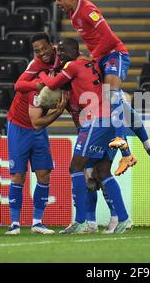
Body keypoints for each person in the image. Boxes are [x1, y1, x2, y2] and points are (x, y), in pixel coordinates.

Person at [53, 0, 150, 176]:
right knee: (119, 105)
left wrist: (92, 57)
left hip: (114, 54)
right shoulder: (72, 12)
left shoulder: (87, 10)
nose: (57, 3)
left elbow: (110, 38)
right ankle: (147, 147)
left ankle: (123, 141)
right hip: (101, 59)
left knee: (111, 95)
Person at [39, 38, 133, 234]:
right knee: (101, 171)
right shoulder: (90, 65)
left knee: (76, 167)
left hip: (95, 120)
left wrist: (42, 74)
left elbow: (52, 82)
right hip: (107, 121)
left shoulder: (73, 66)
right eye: (60, 52)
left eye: (63, 51)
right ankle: (121, 219)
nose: (61, 55)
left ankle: (81, 221)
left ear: (74, 50)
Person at [5, 33, 70, 235]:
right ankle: (15, 224)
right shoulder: (35, 82)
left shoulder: (61, 59)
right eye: (37, 50)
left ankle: (37, 223)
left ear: (52, 46)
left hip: (38, 131)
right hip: (20, 127)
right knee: (18, 176)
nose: (42, 53)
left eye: (44, 48)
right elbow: (18, 87)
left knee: (44, 174)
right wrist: (40, 88)